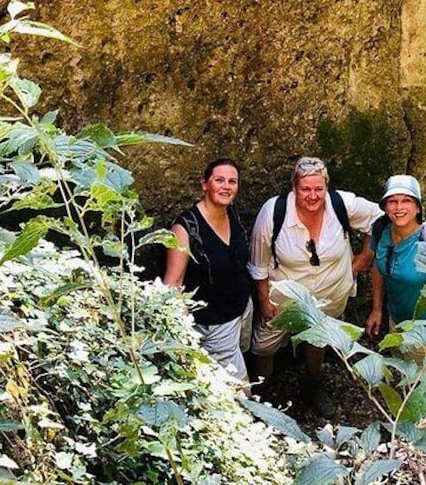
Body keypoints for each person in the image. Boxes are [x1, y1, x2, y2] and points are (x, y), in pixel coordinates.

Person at [247, 157, 382, 416]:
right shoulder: (273, 213)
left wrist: (365, 256)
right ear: (293, 187)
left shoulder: (341, 204)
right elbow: (258, 263)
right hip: (284, 299)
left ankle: (312, 385)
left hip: (329, 294)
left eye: (318, 189)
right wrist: (264, 300)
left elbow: (379, 217)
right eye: (305, 189)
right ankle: (262, 393)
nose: (312, 195)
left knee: (318, 341)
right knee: (265, 346)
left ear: (327, 186)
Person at [164, 158, 253, 384]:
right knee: (240, 390)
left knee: (243, 359)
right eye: (219, 180)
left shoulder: (232, 215)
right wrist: (182, 335)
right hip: (214, 322)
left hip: (241, 308)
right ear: (204, 184)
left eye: (232, 181)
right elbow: (172, 283)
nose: (226, 186)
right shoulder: (185, 229)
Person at [364, 174, 426, 359]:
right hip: (397, 324)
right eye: (392, 201)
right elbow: (378, 267)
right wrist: (377, 309)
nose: (399, 208)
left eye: (406, 200)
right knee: (404, 378)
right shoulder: (381, 229)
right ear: (385, 207)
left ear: (417, 207)